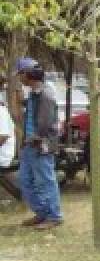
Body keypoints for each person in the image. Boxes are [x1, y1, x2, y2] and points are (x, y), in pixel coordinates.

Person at [15, 58, 63, 229]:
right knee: (24, 181)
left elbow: (44, 124)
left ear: (28, 74)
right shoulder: (34, 95)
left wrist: (34, 139)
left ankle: (54, 216)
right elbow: (31, 114)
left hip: (40, 146)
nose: (20, 78)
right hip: (29, 146)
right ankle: (42, 213)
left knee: (46, 180)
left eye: (20, 74)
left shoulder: (46, 95)